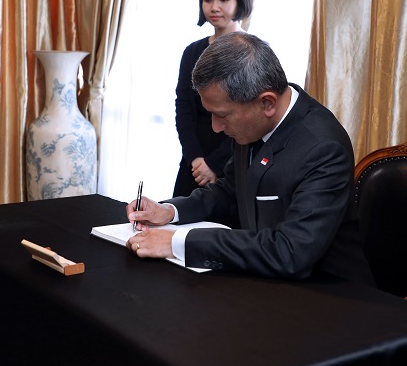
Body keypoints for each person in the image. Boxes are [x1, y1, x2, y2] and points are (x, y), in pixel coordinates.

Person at [126, 32, 374, 284]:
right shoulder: (254, 121)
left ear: (267, 103)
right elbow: (230, 190)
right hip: (264, 281)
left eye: (222, 115)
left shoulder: (323, 148)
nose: (215, 127)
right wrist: (169, 211)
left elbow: (290, 251)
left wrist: (179, 243)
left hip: (331, 296)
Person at [172, 0, 253, 197]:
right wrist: (196, 160)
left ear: (240, 0)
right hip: (194, 163)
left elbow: (249, 117)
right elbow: (184, 109)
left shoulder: (253, 51)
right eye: (208, 0)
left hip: (234, 159)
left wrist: (214, 165)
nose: (214, 7)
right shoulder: (192, 51)